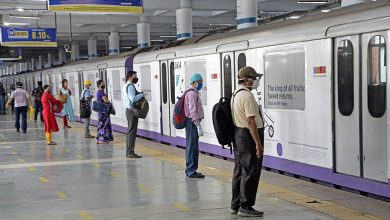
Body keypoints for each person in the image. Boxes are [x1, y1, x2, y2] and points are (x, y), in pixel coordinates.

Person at [230, 66, 264, 217]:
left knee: (239, 170)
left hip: (238, 135)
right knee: (251, 171)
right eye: (253, 78)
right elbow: (251, 122)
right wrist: (258, 143)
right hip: (248, 136)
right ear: (245, 80)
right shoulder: (247, 96)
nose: (256, 81)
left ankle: (235, 205)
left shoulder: (235, 94)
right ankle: (246, 206)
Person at [183, 73, 205, 178]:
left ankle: (192, 169)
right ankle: (191, 170)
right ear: (195, 82)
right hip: (192, 123)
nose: (201, 84)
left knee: (193, 146)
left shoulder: (193, 92)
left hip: (192, 122)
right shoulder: (192, 93)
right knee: (192, 146)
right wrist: (197, 124)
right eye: (200, 82)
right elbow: (192, 109)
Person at [122, 71, 144, 158]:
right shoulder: (130, 86)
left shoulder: (125, 86)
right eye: (135, 76)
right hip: (132, 111)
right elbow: (132, 98)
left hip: (128, 111)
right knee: (132, 132)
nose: (136, 78)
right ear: (130, 77)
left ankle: (129, 151)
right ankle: (130, 151)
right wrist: (141, 95)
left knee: (130, 131)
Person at [96, 80, 113, 144]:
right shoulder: (101, 92)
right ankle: (105, 139)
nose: (104, 85)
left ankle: (98, 139)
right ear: (99, 85)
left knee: (100, 125)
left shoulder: (98, 92)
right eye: (102, 84)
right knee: (106, 124)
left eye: (104, 83)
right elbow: (105, 100)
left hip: (100, 111)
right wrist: (109, 102)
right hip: (104, 111)